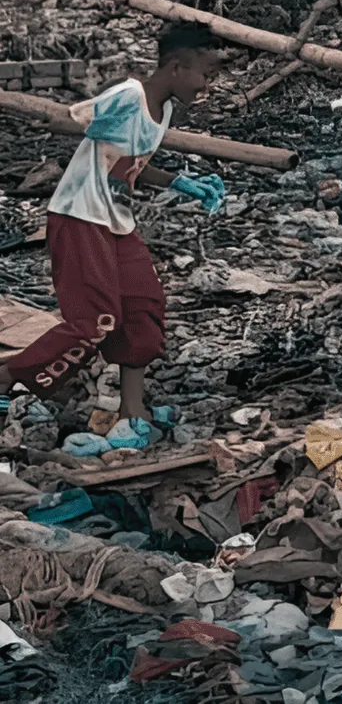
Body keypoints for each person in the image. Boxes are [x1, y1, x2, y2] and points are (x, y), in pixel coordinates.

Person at [6, 23, 229, 443]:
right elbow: (67, 120)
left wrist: (180, 182)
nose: (207, 86)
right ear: (177, 67)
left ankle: (132, 409)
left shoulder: (162, 110)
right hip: (79, 216)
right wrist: (62, 122)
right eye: (205, 75)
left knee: (144, 304)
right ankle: (7, 378)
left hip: (116, 222)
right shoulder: (128, 95)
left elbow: (132, 165)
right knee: (95, 321)